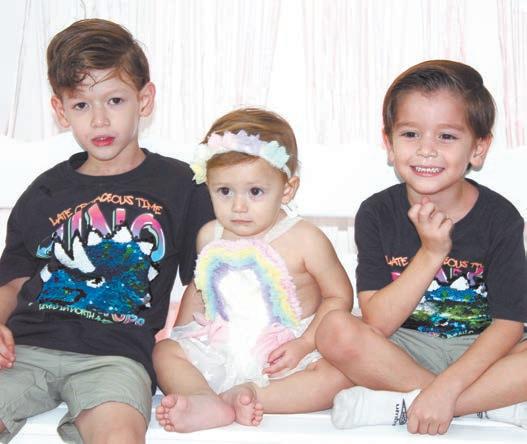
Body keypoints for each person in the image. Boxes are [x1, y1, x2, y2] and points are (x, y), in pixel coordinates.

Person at [0, 18, 213, 443]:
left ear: (144, 100)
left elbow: (204, 280)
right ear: (61, 110)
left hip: (116, 356)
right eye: (81, 105)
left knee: (119, 435)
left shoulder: (182, 186)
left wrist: (184, 359)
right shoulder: (45, 190)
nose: (99, 120)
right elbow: (13, 280)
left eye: (114, 100)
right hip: (24, 350)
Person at [316, 60, 527, 435]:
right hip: (403, 349)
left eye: (446, 136)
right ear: (389, 143)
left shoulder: (500, 217)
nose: (426, 150)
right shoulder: (377, 212)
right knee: (334, 330)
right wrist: (431, 253)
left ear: (478, 148)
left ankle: (408, 404)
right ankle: (485, 405)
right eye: (411, 134)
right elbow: (378, 322)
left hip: (481, 354)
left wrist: (449, 387)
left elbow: (509, 324)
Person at [153, 108, 354, 432]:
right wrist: (182, 337)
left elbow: (339, 297)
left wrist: (305, 344)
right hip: (222, 345)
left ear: (287, 189)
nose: (239, 206)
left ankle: (250, 395)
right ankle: (203, 398)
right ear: (209, 186)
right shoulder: (210, 235)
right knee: (164, 351)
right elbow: (200, 288)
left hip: (285, 353)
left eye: (255, 192)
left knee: (338, 375)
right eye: (224, 191)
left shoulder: (305, 239)